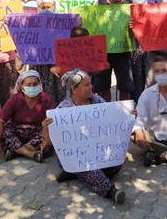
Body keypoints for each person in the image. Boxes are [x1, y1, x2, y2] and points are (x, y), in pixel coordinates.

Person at [42, 69, 126, 204]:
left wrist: (127, 115)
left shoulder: (98, 101)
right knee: (88, 167)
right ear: (74, 89)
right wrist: (46, 129)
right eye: (86, 85)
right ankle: (110, 191)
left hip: (97, 150)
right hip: (75, 156)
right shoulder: (62, 111)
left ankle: (75, 174)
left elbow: (112, 119)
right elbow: (48, 143)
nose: (91, 87)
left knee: (116, 165)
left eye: (90, 84)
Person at [0, 70, 55, 163]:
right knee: (3, 131)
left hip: (37, 133)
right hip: (17, 132)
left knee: (47, 136)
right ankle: (31, 154)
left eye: (35, 84)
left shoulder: (46, 100)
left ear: (39, 84)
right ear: (22, 86)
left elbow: (52, 124)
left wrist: (47, 138)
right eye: (28, 85)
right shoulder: (15, 99)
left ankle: (16, 151)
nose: (32, 87)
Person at [94, 0, 134, 102]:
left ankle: (124, 113)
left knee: (125, 87)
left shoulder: (130, 5)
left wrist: (134, 26)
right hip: (103, 52)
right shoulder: (99, 5)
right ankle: (107, 112)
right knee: (103, 86)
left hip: (123, 52)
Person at [31, 0, 67, 105]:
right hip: (39, 62)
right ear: (38, 8)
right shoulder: (31, 22)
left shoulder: (60, 21)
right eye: (43, 7)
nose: (46, 9)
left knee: (58, 89)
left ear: (53, 7)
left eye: (48, 7)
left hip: (56, 62)